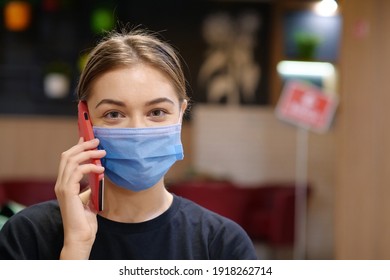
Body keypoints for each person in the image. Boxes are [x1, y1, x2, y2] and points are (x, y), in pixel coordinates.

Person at [0, 28, 258, 260]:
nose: (137, 130)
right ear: (84, 120)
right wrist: (75, 249)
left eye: (157, 112)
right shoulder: (27, 236)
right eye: (114, 114)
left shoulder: (222, 245)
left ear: (180, 114)